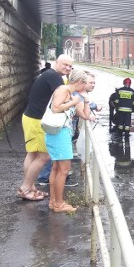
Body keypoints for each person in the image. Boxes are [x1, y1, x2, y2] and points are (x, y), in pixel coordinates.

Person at [17, 54, 73, 201]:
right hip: (36, 121)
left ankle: (30, 187)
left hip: (30, 118)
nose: (67, 68)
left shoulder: (50, 74)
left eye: (70, 66)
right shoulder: (55, 78)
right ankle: (25, 188)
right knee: (44, 156)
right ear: (57, 63)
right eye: (65, 64)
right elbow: (61, 100)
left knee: (33, 154)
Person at [45, 69, 96, 213]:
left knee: (57, 168)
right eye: (85, 83)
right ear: (79, 82)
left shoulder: (74, 94)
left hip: (61, 133)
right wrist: (73, 102)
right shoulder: (63, 90)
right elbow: (55, 108)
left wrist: (85, 100)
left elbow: (85, 116)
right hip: (59, 134)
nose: (86, 86)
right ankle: (59, 204)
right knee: (64, 169)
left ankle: (53, 201)